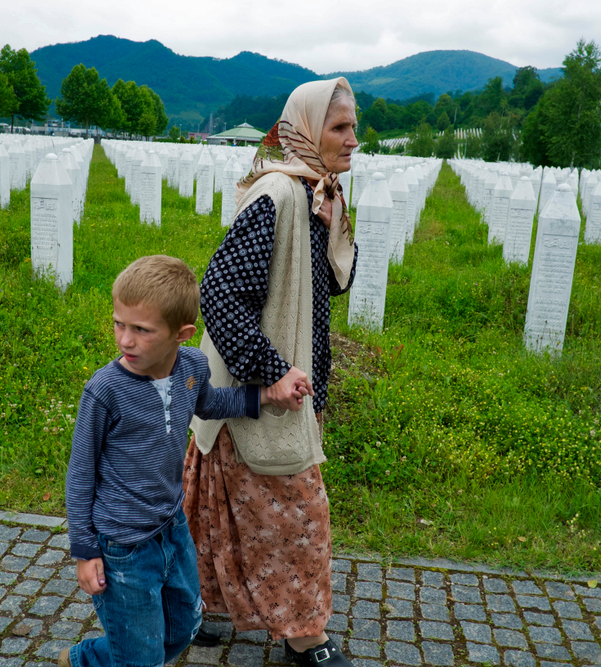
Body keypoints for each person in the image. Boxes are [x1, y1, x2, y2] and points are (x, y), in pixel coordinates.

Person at [184, 78, 360, 667]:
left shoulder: (315, 195)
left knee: (220, 508)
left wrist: (333, 216)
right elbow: (220, 292)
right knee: (298, 516)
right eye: (340, 127)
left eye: (354, 127)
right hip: (254, 388)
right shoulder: (278, 196)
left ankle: (199, 609)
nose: (353, 139)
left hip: (272, 387)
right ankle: (303, 637)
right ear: (306, 130)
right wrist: (273, 372)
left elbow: (331, 283)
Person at [60, 255, 284, 667]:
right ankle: (94, 658)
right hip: (122, 545)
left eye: (141, 330)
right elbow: (80, 473)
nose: (124, 340)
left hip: (171, 527)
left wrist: (263, 396)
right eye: (118, 324)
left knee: (182, 628)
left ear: (182, 334)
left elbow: (210, 403)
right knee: (142, 658)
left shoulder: (192, 367)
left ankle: (97, 658)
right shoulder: (105, 391)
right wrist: (84, 550)